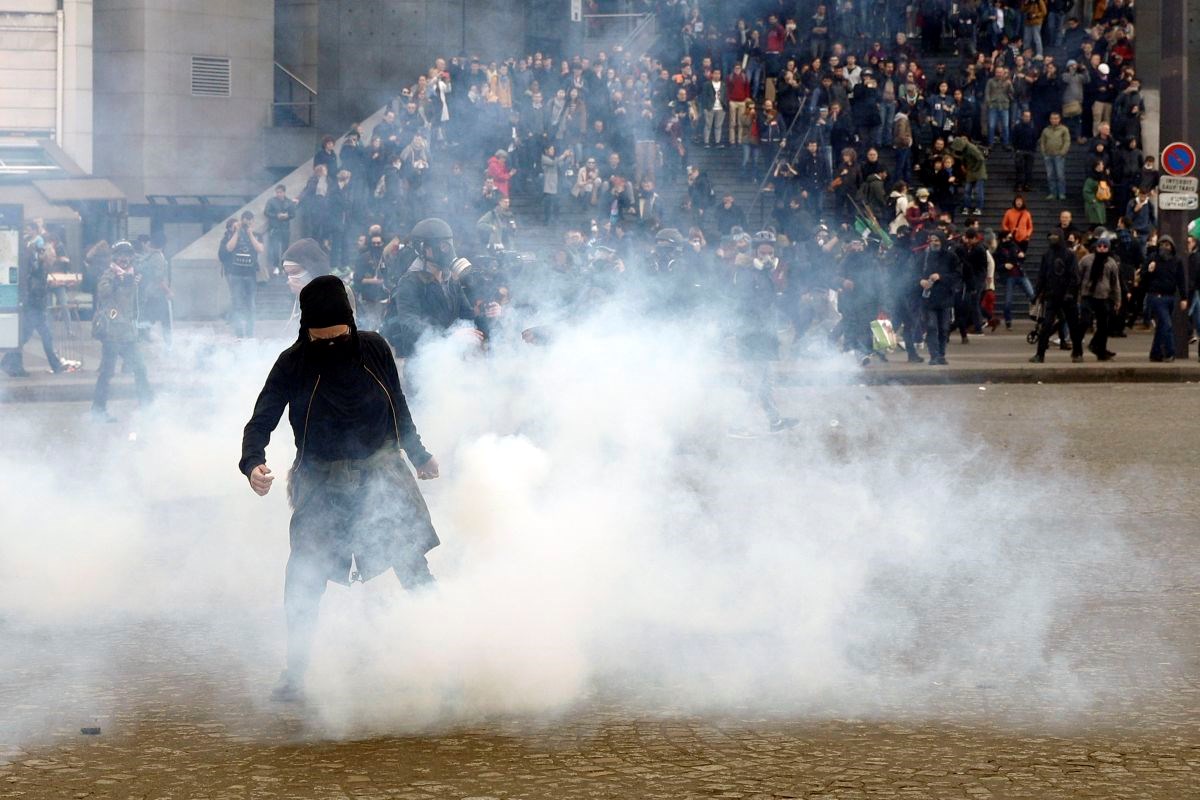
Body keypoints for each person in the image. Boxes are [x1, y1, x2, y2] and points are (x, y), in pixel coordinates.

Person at [239, 275, 440, 703]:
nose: (331, 346)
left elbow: (397, 405)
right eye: (319, 339)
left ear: (351, 324)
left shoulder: (374, 348)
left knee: (413, 566)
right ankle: (295, 675)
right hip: (321, 479)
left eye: (338, 337)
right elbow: (262, 418)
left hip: (382, 473)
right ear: (306, 332)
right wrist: (252, 461)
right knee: (304, 579)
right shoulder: (292, 363)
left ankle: (447, 659)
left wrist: (419, 455)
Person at [384, 218, 500, 361]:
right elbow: (410, 327)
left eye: (447, 245)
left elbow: (467, 318)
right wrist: (449, 335)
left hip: (451, 361)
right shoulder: (410, 282)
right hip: (423, 364)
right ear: (423, 249)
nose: (446, 251)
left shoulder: (451, 279)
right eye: (441, 246)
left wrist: (488, 316)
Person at [1, 234, 79, 377]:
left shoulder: (37, 265)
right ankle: (54, 365)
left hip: (33, 307)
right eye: (52, 256)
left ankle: (9, 363)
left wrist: (50, 285)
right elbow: (34, 288)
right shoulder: (36, 266)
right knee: (42, 336)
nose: (53, 259)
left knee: (24, 337)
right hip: (33, 308)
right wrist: (47, 288)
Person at [91, 241, 153, 421]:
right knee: (107, 373)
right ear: (114, 257)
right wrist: (118, 281)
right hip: (111, 333)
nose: (124, 259)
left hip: (128, 333)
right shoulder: (110, 274)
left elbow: (139, 301)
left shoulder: (134, 275)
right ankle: (98, 411)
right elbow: (102, 292)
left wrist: (140, 282)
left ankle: (147, 407)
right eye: (120, 255)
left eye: (127, 255)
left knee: (140, 369)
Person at [1030, 231, 1084, 363]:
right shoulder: (1047, 255)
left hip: (1067, 297)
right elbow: (1042, 275)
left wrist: (1070, 293)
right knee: (1046, 325)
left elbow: (1075, 276)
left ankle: (1077, 352)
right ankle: (1040, 353)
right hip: (1052, 295)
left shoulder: (1069, 255)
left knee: (1073, 325)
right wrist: (1037, 293)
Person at [919, 230, 961, 366]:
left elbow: (957, 275)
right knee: (931, 327)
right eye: (932, 240)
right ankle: (934, 355)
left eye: (936, 240)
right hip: (929, 298)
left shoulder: (951, 257)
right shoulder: (924, 256)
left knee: (943, 328)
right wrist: (921, 281)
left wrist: (941, 277)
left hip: (945, 298)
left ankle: (941, 354)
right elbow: (914, 272)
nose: (934, 243)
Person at [1143, 234, 1187, 362]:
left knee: (1162, 326)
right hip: (1156, 296)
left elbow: (1181, 280)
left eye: (1167, 245)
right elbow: (1143, 280)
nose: (1164, 248)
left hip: (1170, 297)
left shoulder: (1176, 261)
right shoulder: (1153, 259)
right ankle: (1170, 352)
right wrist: (1149, 270)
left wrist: (1184, 297)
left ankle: (1155, 353)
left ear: (1172, 247)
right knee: (1166, 324)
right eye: (1162, 245)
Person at [1078, 230, 1121, 361]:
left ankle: (1101, 351)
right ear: (1096, 247)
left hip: (1103, 297)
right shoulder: (1086, 260)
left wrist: (1117, 299)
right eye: (1100, 246)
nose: (1102, 249)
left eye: (1105, 247)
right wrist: (1076, 293)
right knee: (1084, 322)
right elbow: (1077, 277)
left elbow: (1115, 283)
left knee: (1103, 326)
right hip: (1087, 295)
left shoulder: (1111, 263)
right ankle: (1077, 350)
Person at [222, 211, 264, 338]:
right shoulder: (233, 235)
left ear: (253, 222)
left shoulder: (256, 235)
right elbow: (229, 248)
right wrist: (237, 231)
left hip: (250, 275)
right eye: (245, 221)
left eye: (250, 220)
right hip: (236, 275)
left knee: (251, 305)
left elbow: (260, 249)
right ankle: (239, 335)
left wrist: (250, 234)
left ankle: (250, 335)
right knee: (237, 305)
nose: (248, 223)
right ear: (241, 221)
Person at [264, 185, 297, 276]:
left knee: (285, 249)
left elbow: (293, 214)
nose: (278, 194)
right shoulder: (271, 201)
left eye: (280, 192)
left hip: (285, 228)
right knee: (275, 248)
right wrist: (276, 215)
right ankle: (275, 266)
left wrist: (287, 216)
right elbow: (266, 212)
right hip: (275, 228)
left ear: (284, 192)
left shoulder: (289, 202)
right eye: (277, 192)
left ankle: (283, 267)